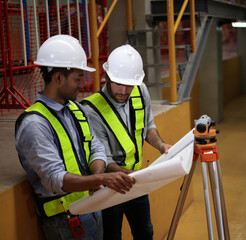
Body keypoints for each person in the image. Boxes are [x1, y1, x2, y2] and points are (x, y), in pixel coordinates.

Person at [15, 35, 135, 240]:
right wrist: (102, 178)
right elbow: (54, 178)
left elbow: (95, 148)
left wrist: (96, 178)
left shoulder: (76, 109)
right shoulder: (35, 124)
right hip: (65, 221)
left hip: (92, 207)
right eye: (78, 78)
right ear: (59, 78)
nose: (82, 84)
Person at [81, 45, 172, 239]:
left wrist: (161, 145)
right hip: (110, 186)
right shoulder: (91, 110)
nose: (124, 90)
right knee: (112, 235)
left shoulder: (140, 90)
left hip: (136, 181)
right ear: (106, 76)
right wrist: (137, 175)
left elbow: (148, 126)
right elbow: (103, 159)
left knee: (145, 232)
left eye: (129, 85)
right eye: (118, 84)